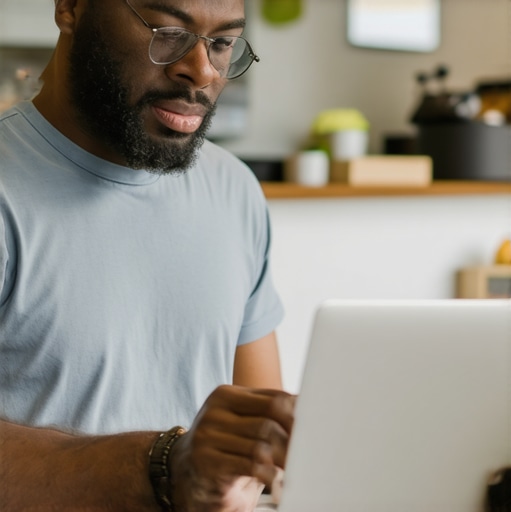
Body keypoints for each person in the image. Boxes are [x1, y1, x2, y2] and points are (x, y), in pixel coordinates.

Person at [0, 0, 296, 510]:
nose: (201, 71)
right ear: (70, 7)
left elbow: (266, 445)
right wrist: (163, 468)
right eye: (168, 32)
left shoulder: (233, 188)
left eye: (222, 43)